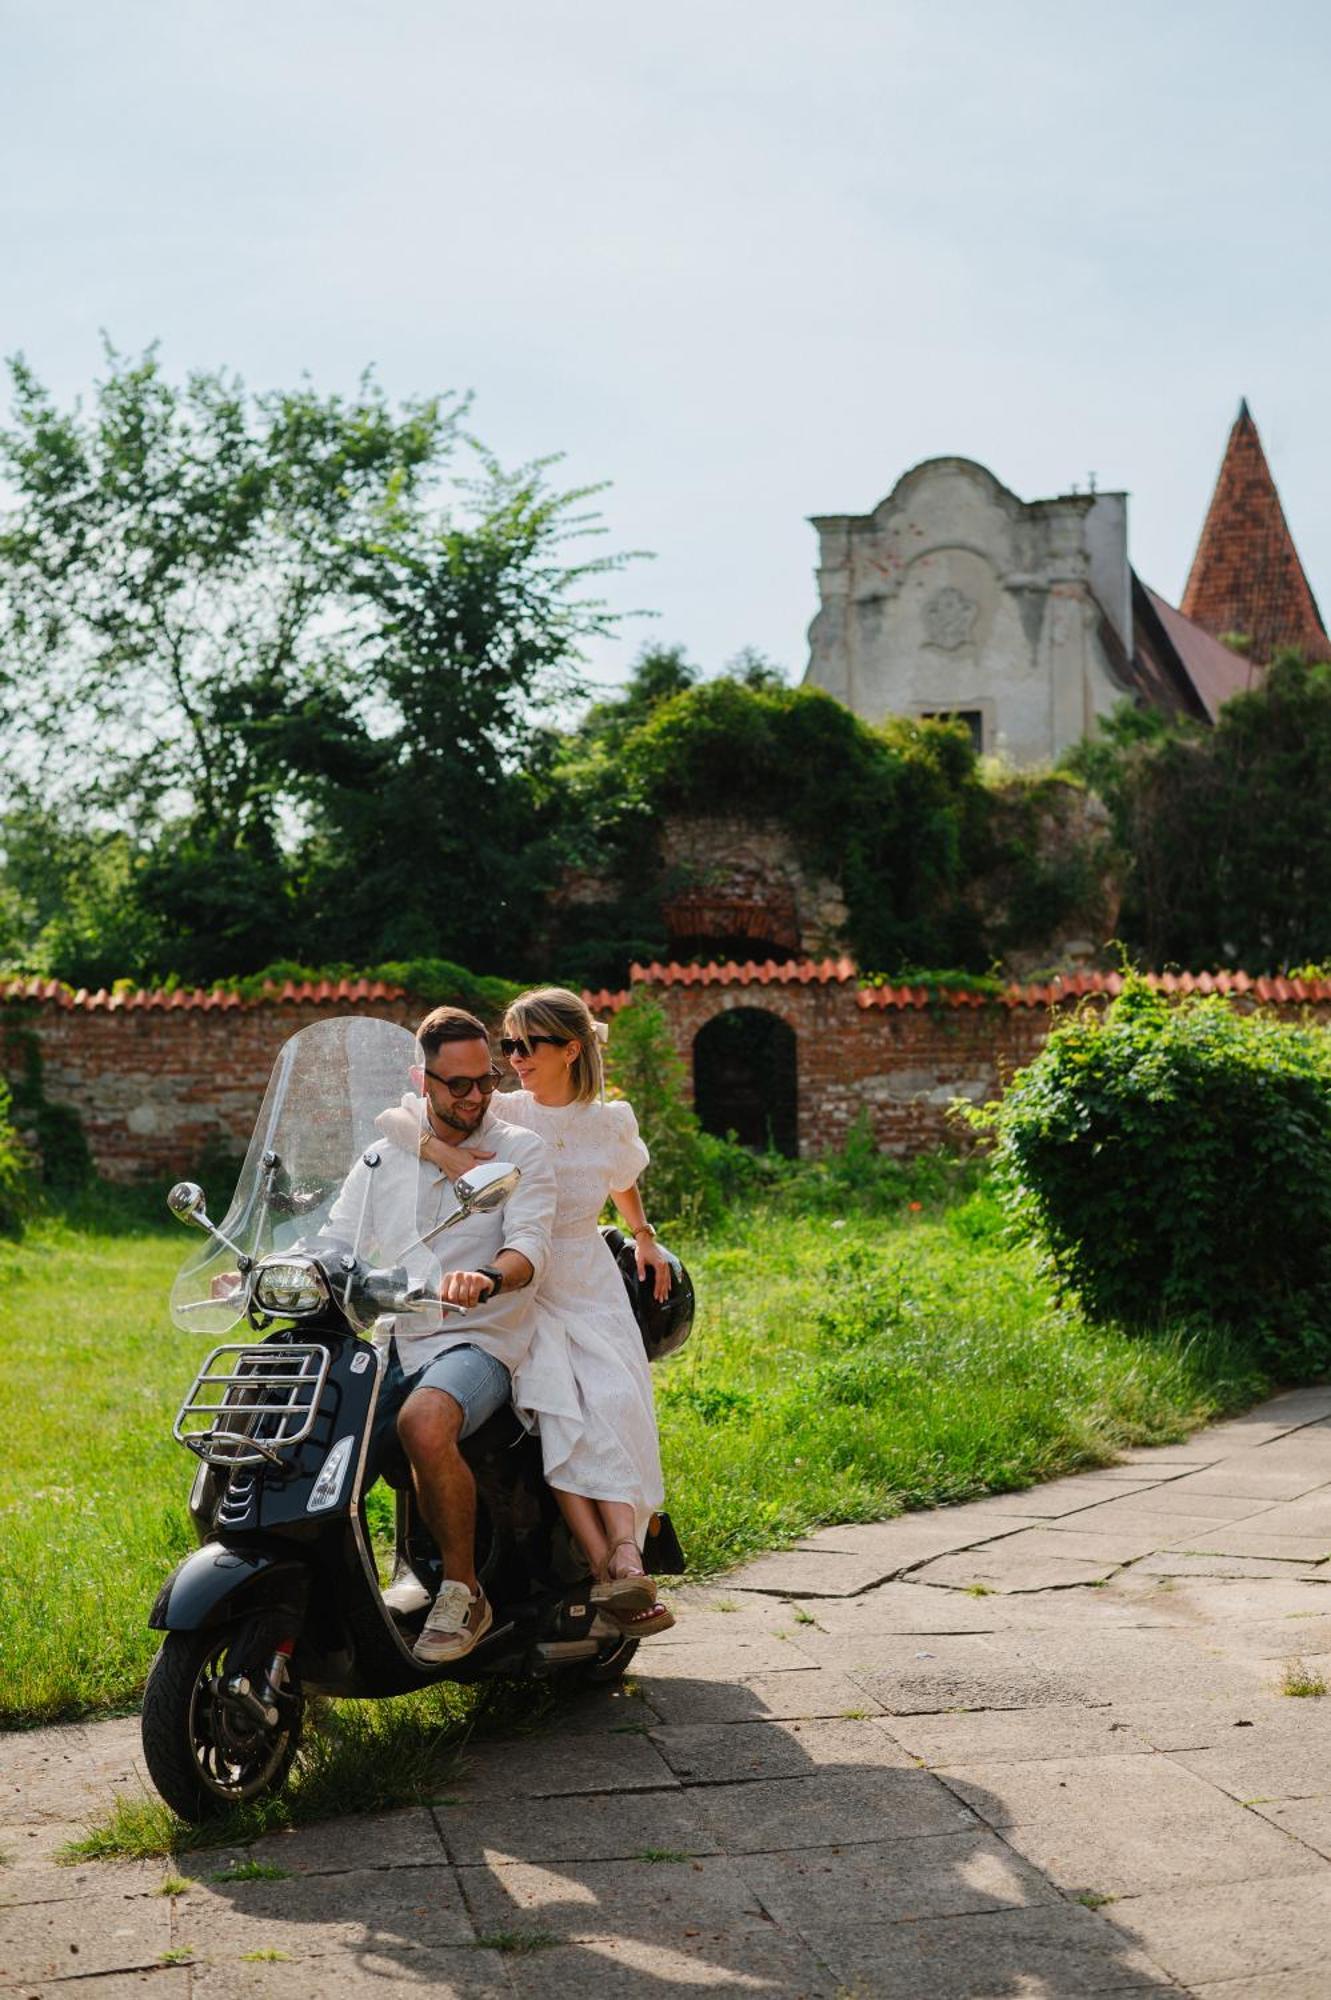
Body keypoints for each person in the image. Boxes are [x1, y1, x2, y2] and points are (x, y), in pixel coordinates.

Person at [381, 986, 675, 1635]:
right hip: (520, 1284)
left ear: (571, 1049)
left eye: (525, 1045)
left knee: (614, 1398)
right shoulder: (503, 1108)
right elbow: (396, 1120)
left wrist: (644, 1237)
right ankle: (606, 1568)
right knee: (555, 1405)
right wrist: (447, 1153)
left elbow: (619, 1176)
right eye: (506, 1044)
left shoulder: (611, 1120)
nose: (511, 1058)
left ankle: (626, 1554)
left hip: (586, 1278)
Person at [328, 1005, 555, 1666]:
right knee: (314, 1428)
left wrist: (484, 1277)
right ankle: (322, 1589)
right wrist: (260, 1272)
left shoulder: (519, 1150)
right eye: (458, 1085)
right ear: (420, 1079)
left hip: (478, 1336)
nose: (477, 1096)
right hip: (394, 1334)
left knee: (425, 1422)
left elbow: (529, 1247)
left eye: (484, 1080)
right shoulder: (382, 1155)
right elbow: (336, 1240)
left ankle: (464, 1592)